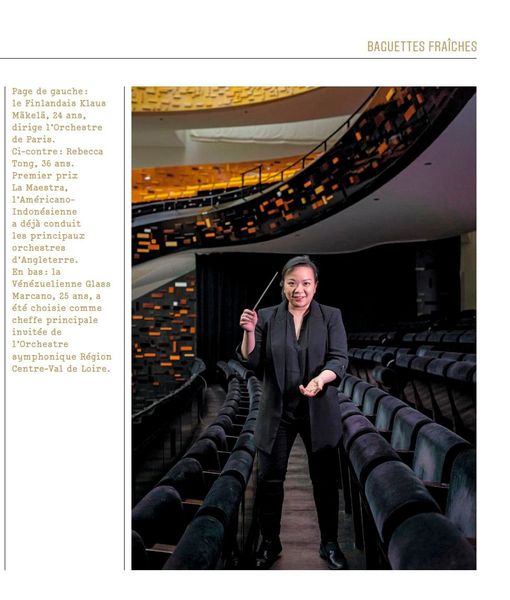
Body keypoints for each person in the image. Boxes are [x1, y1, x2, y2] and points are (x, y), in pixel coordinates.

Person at [238, 255, 349, 569]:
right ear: (282, 285)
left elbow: (339, 359)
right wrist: (249, 331)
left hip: (318, 409)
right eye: (292, 283)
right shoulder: (267, 317)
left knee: (325, 482)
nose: (298, 289)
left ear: (315, 286)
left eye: (305, 283)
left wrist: (320, 379)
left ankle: (329, 544)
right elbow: (253, 361)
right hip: (278, 411)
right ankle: (270, 543)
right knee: (270, 481)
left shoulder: (331, 316)